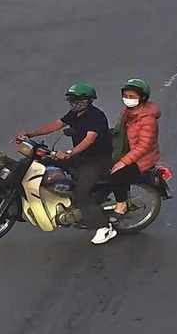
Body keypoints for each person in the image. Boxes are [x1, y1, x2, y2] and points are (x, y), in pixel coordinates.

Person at [16, 83, 120, 245]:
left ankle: (105, 227)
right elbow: (57, 124)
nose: (74, 103)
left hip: (97, 160)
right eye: (72, 100)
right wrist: (31, 134)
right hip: (81, 157)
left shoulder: (96, 116)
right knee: (46, 163)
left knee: (81, 193)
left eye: (79, 100)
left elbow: (89, 139)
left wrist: (69, 153)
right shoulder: (75, 114)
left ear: (89, 101)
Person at [106, 80, 160, 217]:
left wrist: (123, 162)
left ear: (142, 98)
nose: (128, 100)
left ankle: (121, 205)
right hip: (126, 150)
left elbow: (144, 146)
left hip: (141, 159)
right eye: (126, 96)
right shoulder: (129, 112)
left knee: (117, 174)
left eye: (132, 97)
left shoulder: (148, 120)